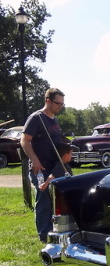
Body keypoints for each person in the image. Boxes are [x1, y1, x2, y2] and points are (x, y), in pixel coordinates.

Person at [21, 87, 66, 243]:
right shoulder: (36, 118)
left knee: (56, 200)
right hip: (39, 168)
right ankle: (44, 236)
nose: (60, 106)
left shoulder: (55, 119)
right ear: (48, 101)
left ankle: (56, 230)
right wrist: (35, 160)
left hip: (54, 167)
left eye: (62, 104)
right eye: (57, 103)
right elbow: (25, 141)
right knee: (44, 200)